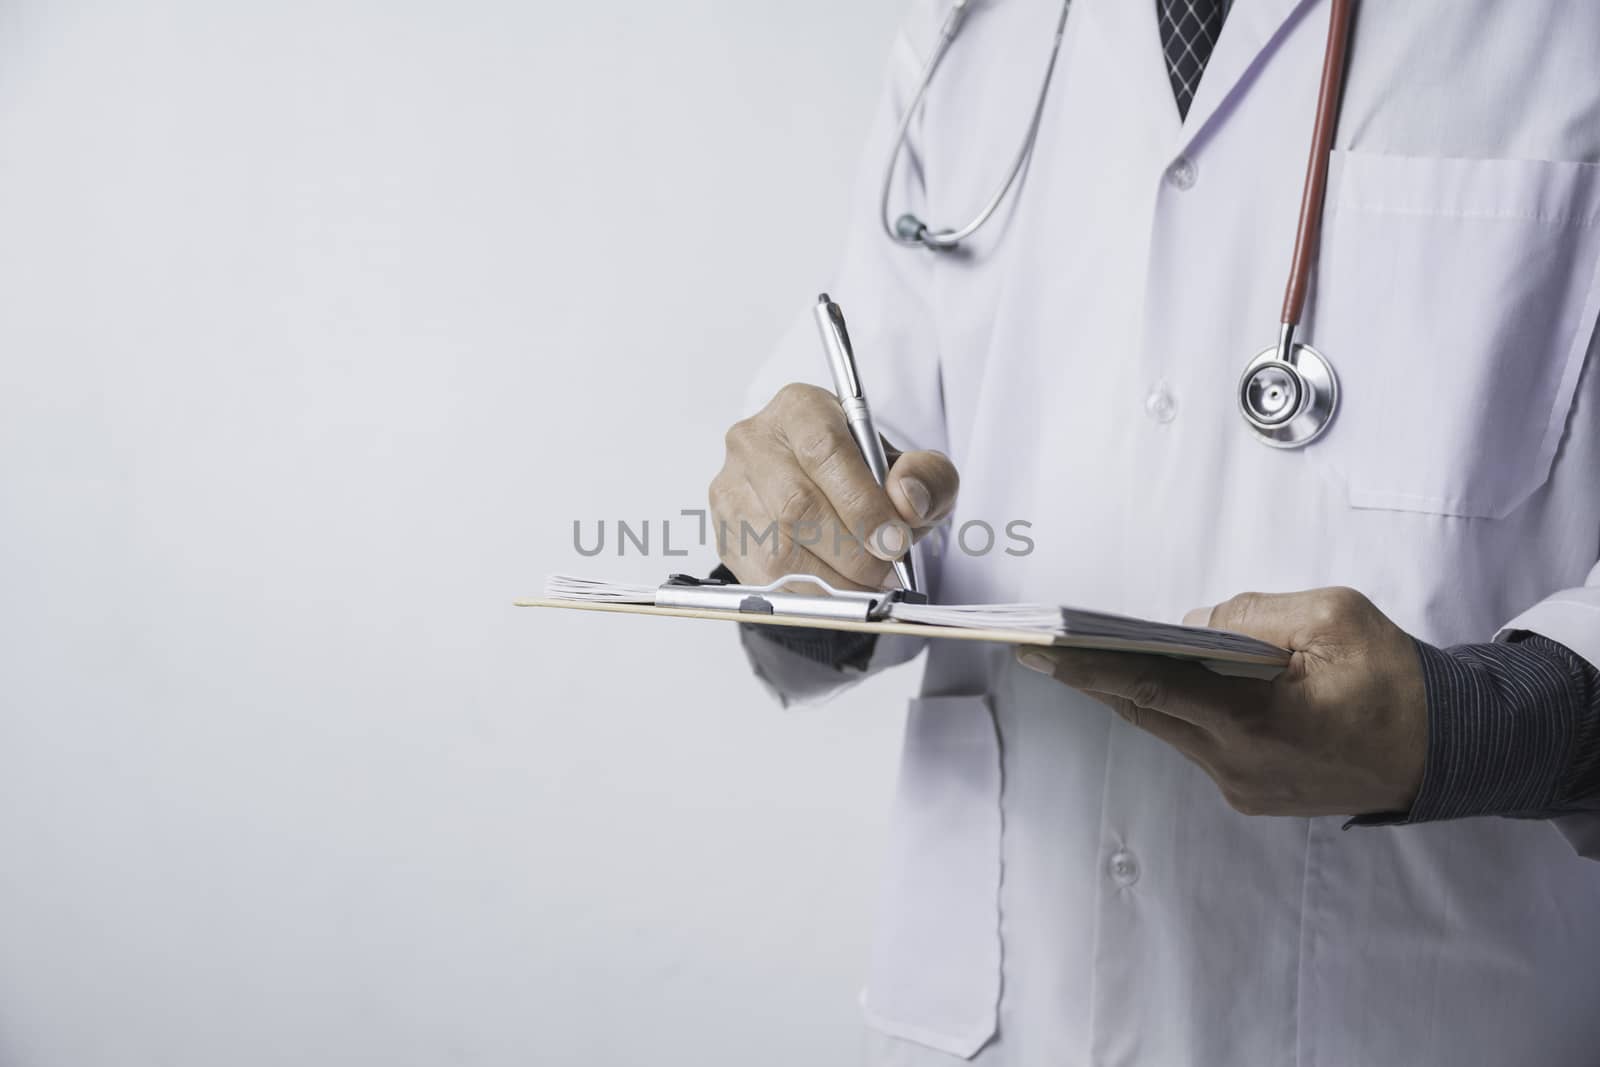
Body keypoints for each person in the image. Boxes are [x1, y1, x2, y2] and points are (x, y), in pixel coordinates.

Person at [708, 1, 1600, 1064]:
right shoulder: (968, 35)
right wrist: (798, 550)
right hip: (1007, 1004)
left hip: (1424, 1004)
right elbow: (867, 482)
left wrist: (1488, 725)